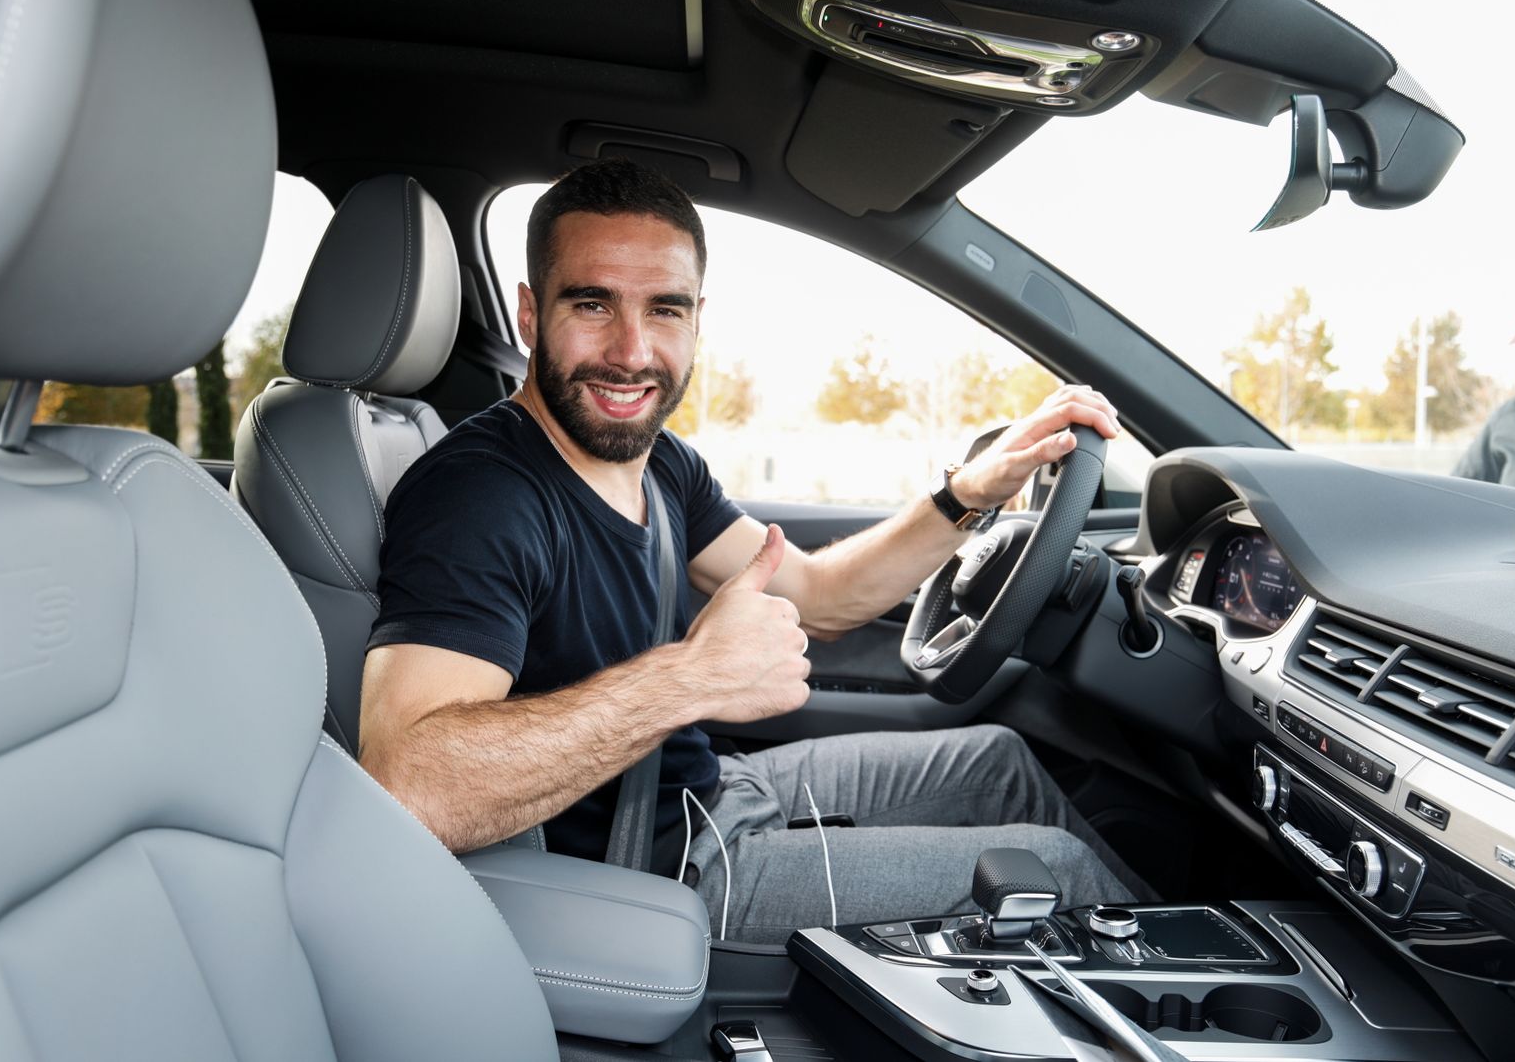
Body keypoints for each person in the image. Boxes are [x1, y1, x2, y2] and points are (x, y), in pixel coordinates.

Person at [360, 158, 1152, 943]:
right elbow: (411, 785)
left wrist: (967, 493)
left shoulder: (657, 460)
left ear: (697, 318)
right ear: (532, 315)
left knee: (997, 760)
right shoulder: (479, 495)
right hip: (662, 868)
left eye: (665, 310)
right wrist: (691, 677)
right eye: (593, 304)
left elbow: (819, 595)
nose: (632, 351)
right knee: (1055, 869)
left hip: (710, 788)